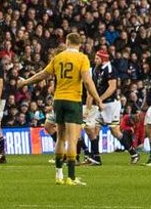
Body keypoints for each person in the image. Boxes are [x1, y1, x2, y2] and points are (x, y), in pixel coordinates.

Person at [21, 31, 102, 186]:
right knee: (72, 139)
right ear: (80, 44)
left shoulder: (58, 58)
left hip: (58, 101)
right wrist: (98, 99)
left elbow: (42, 74)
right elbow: (87, 81)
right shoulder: (82, 58)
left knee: (60, 138)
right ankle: (71, 177)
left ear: (67, 41)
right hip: (73, 100)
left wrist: (25, 82)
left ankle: (58, 174)